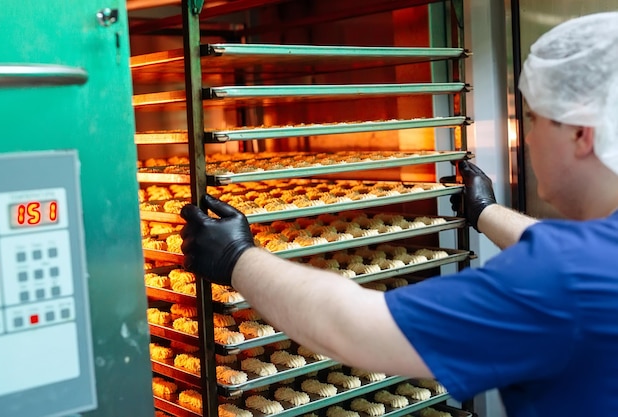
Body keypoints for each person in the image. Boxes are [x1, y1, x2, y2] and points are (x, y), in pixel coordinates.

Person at [179, 12, 618, 417]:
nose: (528, 137)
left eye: (532, 120)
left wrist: (237, 257)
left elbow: (353, 329)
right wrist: (484, 212)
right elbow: (568, 258)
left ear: (581, 134)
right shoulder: (582, 266)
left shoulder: (561, 281)